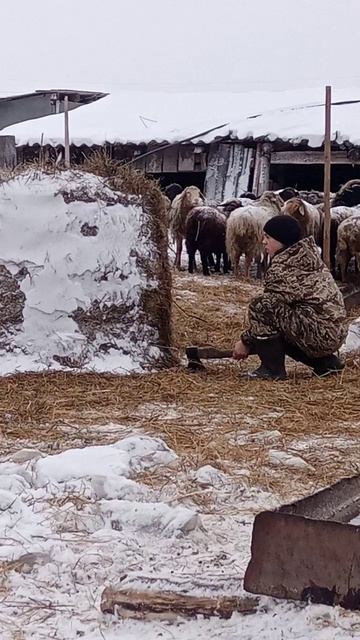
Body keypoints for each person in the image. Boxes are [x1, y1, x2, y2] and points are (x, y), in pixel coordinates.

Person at [233, 215, 348, 379]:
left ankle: (271, 370)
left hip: (319, 335)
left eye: (268, 237)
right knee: (287, 321)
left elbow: (268, 310)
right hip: (334, 334)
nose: (264, 242)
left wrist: (245, 342)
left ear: (281, 240)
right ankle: (326, 363)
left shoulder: (283, 268)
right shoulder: (308, 257)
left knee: (261, 305)